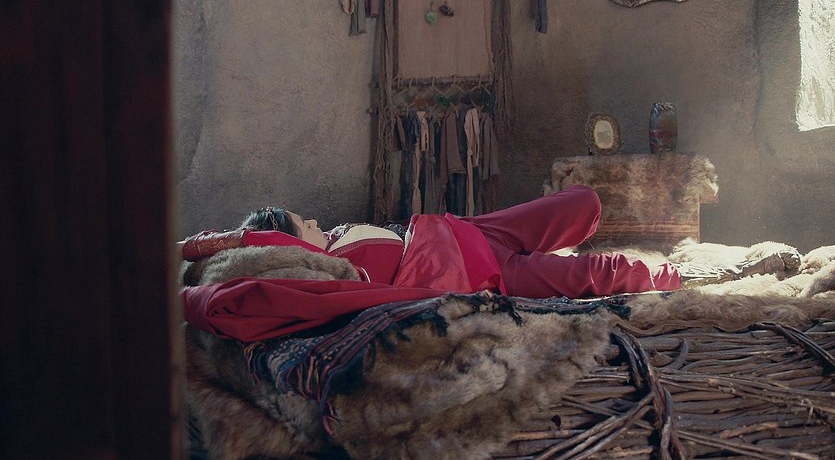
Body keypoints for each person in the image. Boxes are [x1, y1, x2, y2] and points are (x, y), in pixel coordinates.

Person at [181, 185, 681, 299]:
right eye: (301, 222)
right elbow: (248, 246)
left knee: (584, 201)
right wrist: (218, 241)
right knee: (592, 275)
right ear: (288, 242)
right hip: (479, 273)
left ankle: (548, 247)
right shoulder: (321, 265)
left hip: (467, 230)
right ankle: (674, 276)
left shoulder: (335, 238)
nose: (313, 221)